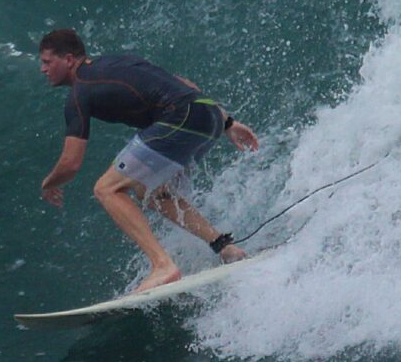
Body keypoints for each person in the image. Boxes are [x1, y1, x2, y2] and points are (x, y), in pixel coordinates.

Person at [38, 28, 259, 293]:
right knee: (150, 190)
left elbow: (71, 163)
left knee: (106, 189)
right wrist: (227, 122)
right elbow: (185, 85)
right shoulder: (118, 61)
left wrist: (49, 183)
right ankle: (226, 248)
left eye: (47, 62)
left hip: (181, 119)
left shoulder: (79, 93)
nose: (43, 69)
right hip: (209, 114)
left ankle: (162, 265)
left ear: (69, 59)